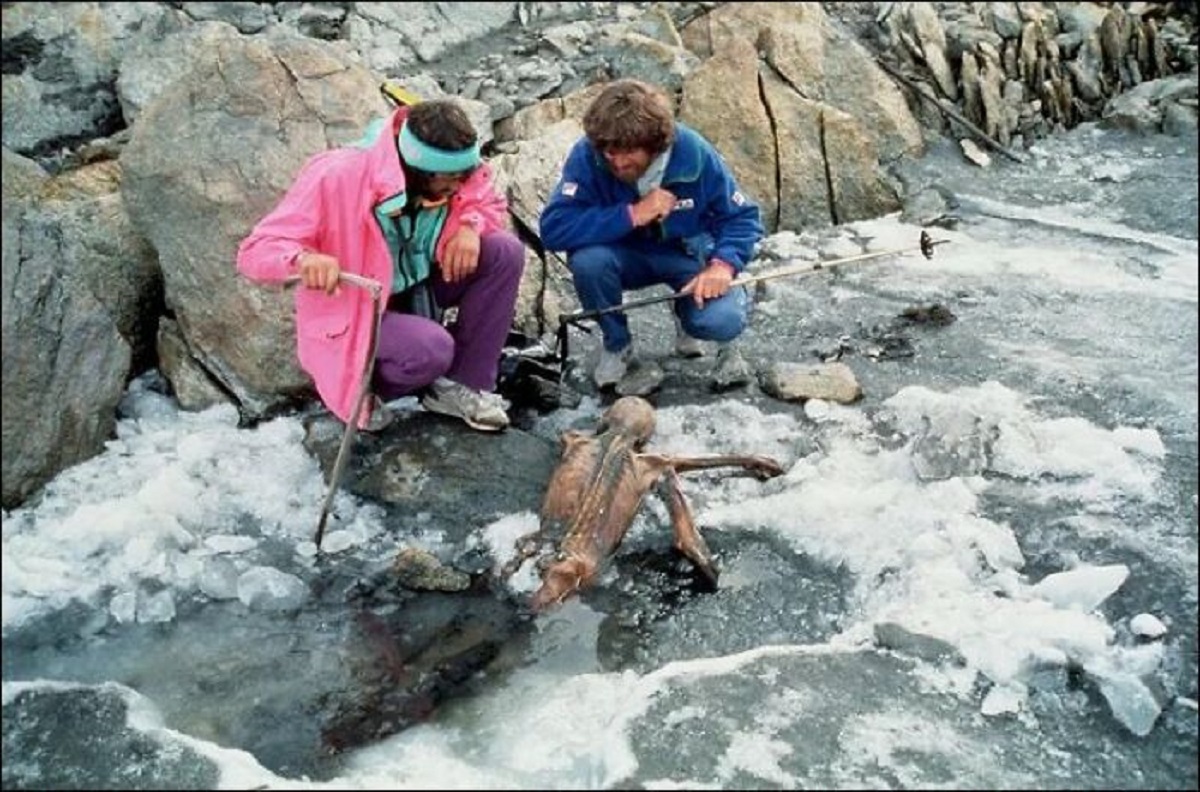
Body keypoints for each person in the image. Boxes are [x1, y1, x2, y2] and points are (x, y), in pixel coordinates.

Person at [237, 99, 525, 432]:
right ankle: (371, 392)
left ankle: (462, 385)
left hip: (420, 288)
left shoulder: (461, 174)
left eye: (463, 176)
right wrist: (303, 261)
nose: (458, 187)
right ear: (415, 169)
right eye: (449, 181)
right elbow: (255, 251)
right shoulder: (337, 175)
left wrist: (470, 227)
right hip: (357, 309)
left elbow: (482, 198)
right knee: (431, 349)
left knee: (504, 251)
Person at [539, 78, 764, 389]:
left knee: (720, 321)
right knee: (588, 262)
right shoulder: (588, 156)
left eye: (628, 151)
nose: (616, 161)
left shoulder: (694, 153)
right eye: (608, 151)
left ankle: (700, 325)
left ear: (655, 144)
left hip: (686, 253)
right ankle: (618, 345)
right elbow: (554, 228)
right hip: (622, 255)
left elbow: (742, 218)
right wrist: (631, 214)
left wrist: (723, 265)